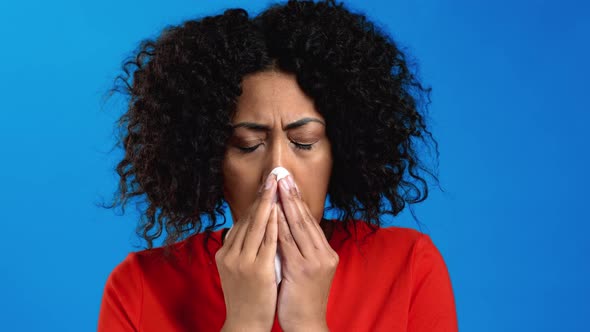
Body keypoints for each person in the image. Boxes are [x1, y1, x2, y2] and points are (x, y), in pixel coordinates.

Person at [97, 0, 458, 331]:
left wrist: (307, 322)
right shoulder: (139, 285)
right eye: (248, 145)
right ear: (209, 158)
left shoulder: (408, 266)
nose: (277, 172)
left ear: (341, 151)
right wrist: (244, 321)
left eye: (304, 142)